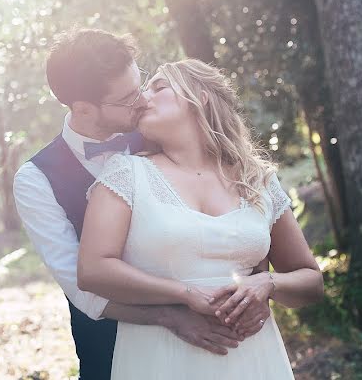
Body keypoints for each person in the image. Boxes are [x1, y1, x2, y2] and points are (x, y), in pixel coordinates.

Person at [13, 30, 271, 379]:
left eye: (142, 84)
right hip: (110, 344)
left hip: (217, 339)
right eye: (127, 97)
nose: (142, 100)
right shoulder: (36, 179)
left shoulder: (164, 132)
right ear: (84, 109)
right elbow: (80, 283)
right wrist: (171, 315)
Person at [77, 59, 324, 378]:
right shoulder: (125, 173)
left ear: (201, 96)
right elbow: (93, 270)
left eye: (159, 86)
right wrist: (184, 294)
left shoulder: (257, 179)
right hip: (161, 356)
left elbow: (311, 280)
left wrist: (267, 283)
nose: (142, 98)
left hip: (251, 355)